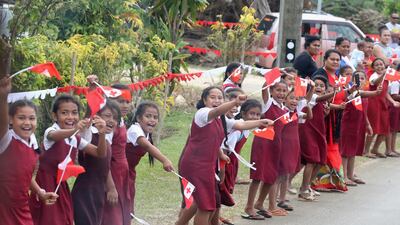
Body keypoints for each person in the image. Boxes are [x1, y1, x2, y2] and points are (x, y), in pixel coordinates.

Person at [175, 86, 273, 225]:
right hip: (195, 165)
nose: (217, 100)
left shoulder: (222, 120)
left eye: (220, 98)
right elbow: (215, 111)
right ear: (204, 100)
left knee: (201, 201)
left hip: (207, 166)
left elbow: (241, 124)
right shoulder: (203, 113)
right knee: (206, 207)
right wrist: (235, 102)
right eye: (212, 97)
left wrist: (260, 122)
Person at [29, 94, 108, 225]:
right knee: (48, 219)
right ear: (55, 116)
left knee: (65, 218)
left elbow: (100, 153)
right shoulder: (52, 131)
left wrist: (102, 134)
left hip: (61, 185)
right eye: (64, 113)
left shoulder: (75, 138)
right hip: (45, 184)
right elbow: (54, 136)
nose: (70, 117)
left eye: (74, 113)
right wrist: (74, 129)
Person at [0, 77, 58, 225]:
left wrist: (40, 192)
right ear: (11, 120)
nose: (27, 122)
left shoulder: (31, 142)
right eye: (21, 118)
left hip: (22, 208)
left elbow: (25, 177)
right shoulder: (6, 141)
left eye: (32, 118)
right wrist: (4, 96)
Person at [244, 80, 288, 219]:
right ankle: (249, 206)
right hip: (263, 142)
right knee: (258, 176)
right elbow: (264, 88)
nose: (281, 93)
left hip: (276, 144)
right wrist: (272, 78)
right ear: (271, 91)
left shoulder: (284, 108)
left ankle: (260, 203)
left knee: (271, 175)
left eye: (284, 91)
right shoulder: (268, 104)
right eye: (278, 90)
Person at [72, 101, 121, 225]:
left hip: (98, 192)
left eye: (115, 118)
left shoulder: (104, 140)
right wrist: (92, 89)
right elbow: (89, 113)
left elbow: (105, 167)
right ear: (96, 117)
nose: (111, 120)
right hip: (84, 193)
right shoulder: (88, 134)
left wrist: (111, 187)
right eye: (108, 115)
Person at [125, 101, 174, 214]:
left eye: (155, 117)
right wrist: (164, 160)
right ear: (138, 118)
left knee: (128, 204)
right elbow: (147, 146)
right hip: (117, 170)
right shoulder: (134, 130)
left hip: (129, 172)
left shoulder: (145, 133)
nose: (152, 120)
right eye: (148, 116)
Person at [219, 98, 262, 225]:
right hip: (225, 161)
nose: (255, 117)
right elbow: (225, 147)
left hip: (233, 162)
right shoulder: (238, 129)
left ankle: (218, 214)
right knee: (220, 188)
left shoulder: (247, 128)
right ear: (243, 114)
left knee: (224, 188)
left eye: (257, 114)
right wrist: (223, 167)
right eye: (252, 114)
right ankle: (214, 217)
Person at [298, 75, 336, 201]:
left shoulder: (323, 102)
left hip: (319, 132)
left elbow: (321, 115)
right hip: (308, 131)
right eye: (316, 85)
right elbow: (321, 97)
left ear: (325, 88)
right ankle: (303, 189)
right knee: (311, 160)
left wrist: (326, 113)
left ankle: (308, 185)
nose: (319, 87)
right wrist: (335, 91)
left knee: (320, 160)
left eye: (322, 86)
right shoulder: (313, 97)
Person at [340, 71, 380, 186]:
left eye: (363, 78)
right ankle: (344, 176)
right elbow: (360, 94)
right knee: (346, 152)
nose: (360, 80)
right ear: (352, 80)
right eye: (358, 78)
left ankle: (351, 174)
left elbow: (364, 111)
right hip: (348, 124)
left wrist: (367, 124)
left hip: (359, 124)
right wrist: (376, 92)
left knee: (353, 150)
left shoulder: (364, 94)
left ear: (366, 80)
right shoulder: (353, 92)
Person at [102, 84, 132, 225]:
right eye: (121, 101)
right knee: (112, 217)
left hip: (122, 172)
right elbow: (103, 159)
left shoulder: (121, 120)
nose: (125, 105)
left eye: (128, 101)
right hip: (112, 173)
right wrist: (110, 187)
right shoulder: (109, 125)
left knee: (122, 212)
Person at [277, 89, 312, 211]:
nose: (294, 101)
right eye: (291, 98)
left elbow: (309, 116)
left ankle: (282, 198)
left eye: (297, 99)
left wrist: (308, 107)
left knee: (287, 173)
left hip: (293, 146)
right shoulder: (283, 112)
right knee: (280, 174)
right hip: (283, 146)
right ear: (285, 99)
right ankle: (275, 197)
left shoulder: (296, 113)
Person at [364, 58, 400, 158]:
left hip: (383, 103)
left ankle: (375, 148)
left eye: (381, 64)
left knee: (385, 128)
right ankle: (366, 150)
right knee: (374, 128)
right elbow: (375, 82)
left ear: (385, 66)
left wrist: (393, 102)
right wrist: (383, 74)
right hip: (373, 104)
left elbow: (386, 93)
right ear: (373, 68)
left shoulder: (387, 78)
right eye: (377, 65)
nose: (380, 66)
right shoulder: (373, 76)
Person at [387, 64, 400, 157]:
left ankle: (393, 148)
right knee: (391, 129)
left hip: (398, 107)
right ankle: (389, 149)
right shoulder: (396, 82)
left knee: (395, 129)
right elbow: (394, 95)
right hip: (393, 107)